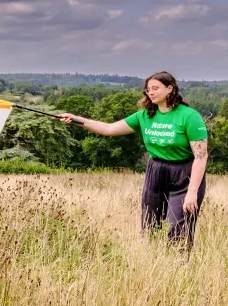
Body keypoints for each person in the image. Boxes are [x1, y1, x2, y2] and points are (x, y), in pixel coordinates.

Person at [58, 71, 209, 251]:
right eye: (148, 89)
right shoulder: (144, 116)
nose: (150, 92)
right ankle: (152, 266)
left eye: (155, 88)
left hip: (185, 174)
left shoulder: (189, 116)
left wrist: (192, 193)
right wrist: (76, 120)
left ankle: (179, 269)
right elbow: (108, 128)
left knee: (177, 228)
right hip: (156, 171)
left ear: (170, 89)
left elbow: (201, 156)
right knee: (150, 225)